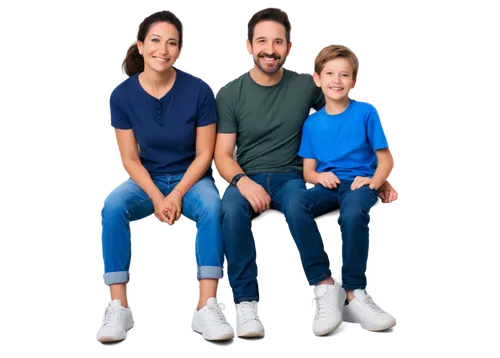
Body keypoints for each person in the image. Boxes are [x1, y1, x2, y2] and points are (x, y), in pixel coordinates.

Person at [213, 6, 399, 340]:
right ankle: (244, 306)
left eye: (279, 42)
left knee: (300, 201)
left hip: (294, 177)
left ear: (289, 46)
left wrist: (380, 178)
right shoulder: (229, 94)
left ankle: (327, 290)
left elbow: (342, 124)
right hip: (246, 176)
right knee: (227, 208)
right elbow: (222, 156)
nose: (271, 49)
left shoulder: (308, 86)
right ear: (248, 46)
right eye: (262, 41)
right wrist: (243, 182)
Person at [96, 9, 234, 344]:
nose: (164, 49)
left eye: (172, 43)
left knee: (213, 205)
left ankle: (207, 307)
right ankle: (117, 306)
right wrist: (158, 197)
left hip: (192, 177)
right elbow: (128, 158)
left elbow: (204, 154)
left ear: (180, 50)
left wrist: (176, 194)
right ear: (140, 46)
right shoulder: (122, 96)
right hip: (147, 178)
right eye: (155, 41)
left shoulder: (199, 92)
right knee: (112, 206)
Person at [298, 42, 399, 333]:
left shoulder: (366, 113)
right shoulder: (312, 123)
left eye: (344, 75)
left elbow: (385, 159)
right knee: (295, 204)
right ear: (317, 79)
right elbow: (308, 170)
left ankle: (355, 293)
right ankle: (325, 286)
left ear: (354, 81)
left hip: (360, 184)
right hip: (328, 185)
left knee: (354, 212)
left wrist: (377, 182)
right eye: (329, 73)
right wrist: (319, 178)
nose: (336, 80)